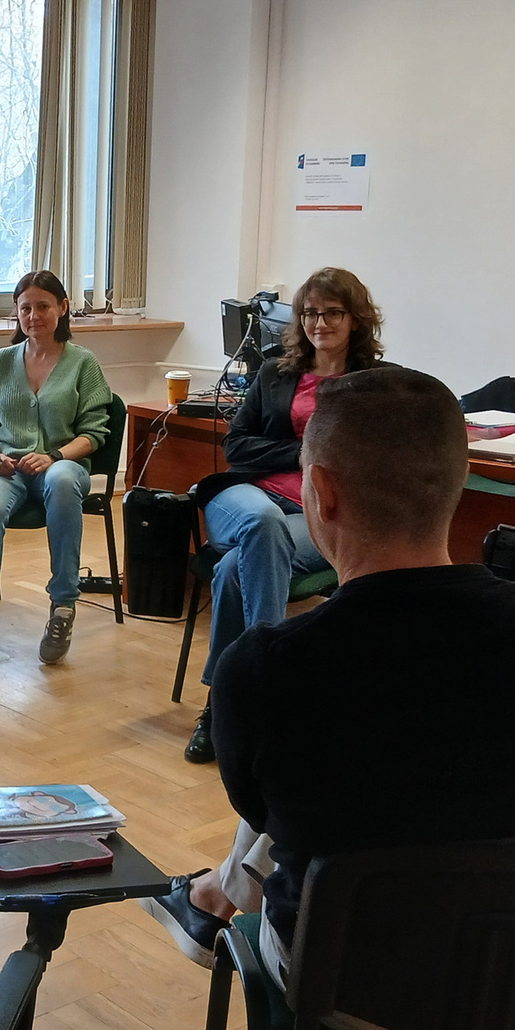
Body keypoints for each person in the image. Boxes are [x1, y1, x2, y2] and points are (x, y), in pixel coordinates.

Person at [154, 369, 515, 1030]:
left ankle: (222, 908)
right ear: (457, 484)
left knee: (315, 796)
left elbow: (261, 813)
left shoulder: (266, 667)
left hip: (351, 996)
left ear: (321, 492)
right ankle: (221, 900)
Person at [183, 266, 392, 762]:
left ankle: (220, 705)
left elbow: (376, 457)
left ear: (356, 318)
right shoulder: (274, 372)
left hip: (318, 514)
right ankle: (270, 681)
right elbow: (237, 445)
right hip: (247, 497)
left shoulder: (375, 384)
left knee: (234, 571)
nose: (320, 323)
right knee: (262, 523)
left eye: (332, 313)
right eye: (310, 313)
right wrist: (302, 455)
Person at [0, 271, 112, 674]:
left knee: (61, 481)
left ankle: (63, 607)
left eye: (43, 306)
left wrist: (54, 456)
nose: (34, 316)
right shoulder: (2, 361)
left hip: (63, 464)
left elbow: (94, 434)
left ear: (63, 308)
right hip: (4, 466)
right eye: (25, 308)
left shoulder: (83, 362)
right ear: (16, 312)